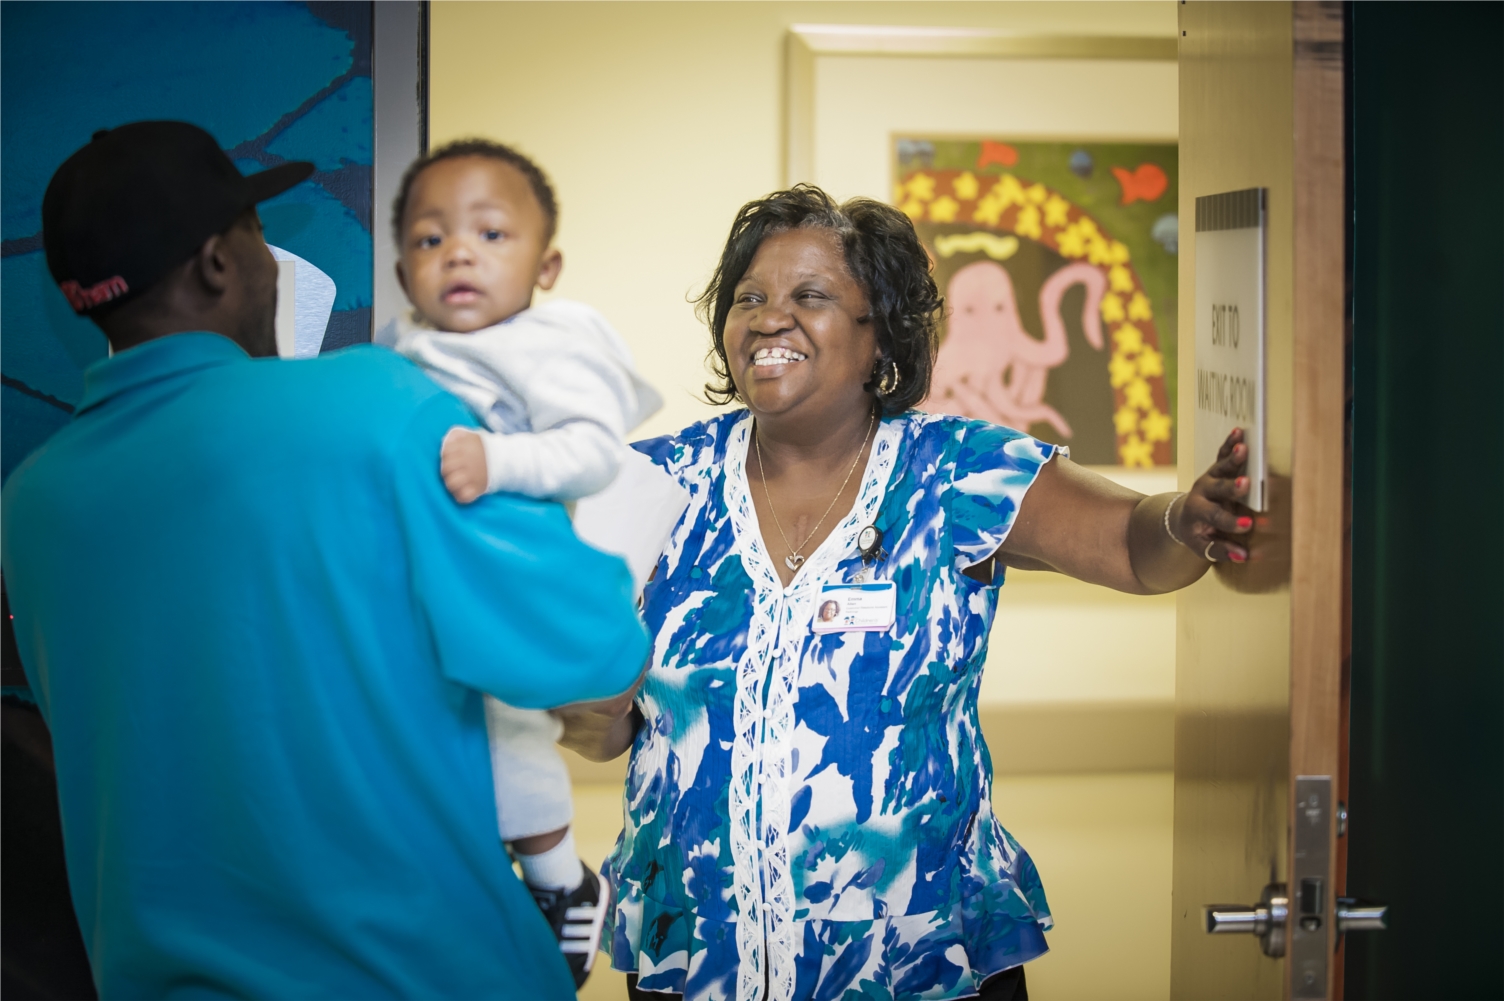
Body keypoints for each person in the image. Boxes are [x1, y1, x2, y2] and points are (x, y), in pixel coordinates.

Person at [0, 121, 649, 999]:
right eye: (259, 236)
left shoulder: (34, 501)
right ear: (220, 263)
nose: (273, 267)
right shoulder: (376, 405)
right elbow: (590, 645)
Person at [562, 186, 1252, 1001]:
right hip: (702, 957)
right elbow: (601, 732)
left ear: (879, 331)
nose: (768, 317)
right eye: (749, 297)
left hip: (918, 963)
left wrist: (1187, 519)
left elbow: (1133, 547)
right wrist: (582, 693)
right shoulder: (655, 482)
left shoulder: (955, 472)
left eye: (809, 297)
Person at [374, 138, 661, 984]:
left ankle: (561, 881)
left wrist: (499, 462)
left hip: (507, 578)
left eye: (492, 234)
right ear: (401, 268)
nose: (459, 251)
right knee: (434, 730)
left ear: (547, 264)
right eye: (430, 239)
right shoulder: (401, 346)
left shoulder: (554, 341)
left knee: (511, 733)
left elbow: (592, 451)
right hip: (429, 583)